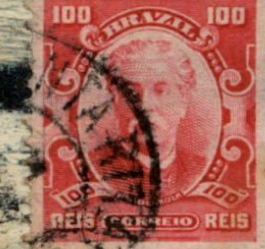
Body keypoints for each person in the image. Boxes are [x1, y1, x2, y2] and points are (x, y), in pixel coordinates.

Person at [84, 34, 213, 207]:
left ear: (183, 99)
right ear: (114, 100)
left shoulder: (198, 169)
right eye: (132, 94)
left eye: (160, 91)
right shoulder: (94, 168)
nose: (145, 105)